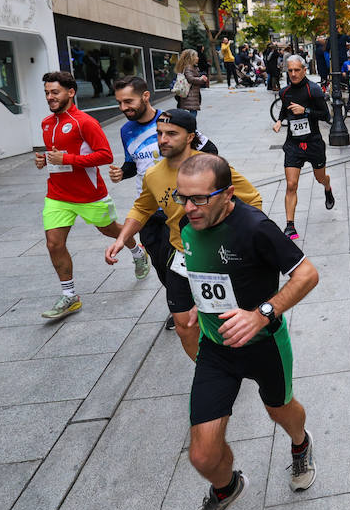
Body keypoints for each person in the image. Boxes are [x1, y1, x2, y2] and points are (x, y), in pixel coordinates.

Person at [173, 154, 318, 510]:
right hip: (216, 348)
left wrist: (262, 314)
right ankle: (225, 488)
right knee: (202, 454)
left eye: (200, 199)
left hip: (263, 344)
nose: (189, 208)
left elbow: (307, 274)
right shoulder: (188, 221)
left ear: (228, 194)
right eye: (182, 197)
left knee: (280, 410)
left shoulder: (255, 227)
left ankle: (301, 445)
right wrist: (187, 301)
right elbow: (187, 262)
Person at [106, 110, 263, 359]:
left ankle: (235, 363)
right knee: (184, 325)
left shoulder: (213, 167)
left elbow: (252, 199)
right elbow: (142, 207)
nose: (162, 139)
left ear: (190, 137)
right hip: (182, 255)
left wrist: (235, 239)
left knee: (225, 320)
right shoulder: (153, 174)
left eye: (171, 134)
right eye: (159, 133)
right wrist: (122, 237)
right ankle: (207, 369)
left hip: (219, 256)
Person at [109, 76, 215, 330]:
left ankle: (192, 304)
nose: (124, 108)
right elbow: (134, 164)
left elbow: (210, 152)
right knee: (160, 263)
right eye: (120, 103)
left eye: (128, 101)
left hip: (177, 207)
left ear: (145, 96)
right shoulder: (126, 131)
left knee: (183, 258)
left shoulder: (172, 122)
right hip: (148, 207)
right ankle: (181, 301)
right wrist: (123, 173)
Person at [35, 71, 134, 321]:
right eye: (47, 93)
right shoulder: (46, 123)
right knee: (54, 243)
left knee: (110, 230)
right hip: (57, 194)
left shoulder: (85, 122)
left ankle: (137, 250)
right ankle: (70, 296)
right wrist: (43, 160)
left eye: (54, 92)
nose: (50, 97)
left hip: (89, 194)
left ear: (70, 92)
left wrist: (66, 159)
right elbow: (55, 155)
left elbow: (105, 156)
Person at [272, 55, 336, 240]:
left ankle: (327, 186)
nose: (293, 73)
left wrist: (305, 111)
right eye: (290, 70)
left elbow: (325, 115)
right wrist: (279, 120)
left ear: (304, 70)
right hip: (293, 144)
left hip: (313, 143)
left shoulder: (313, 90)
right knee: (291, 184)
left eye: (296, 70)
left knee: (320, 177)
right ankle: (290, 226)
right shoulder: (284, 92)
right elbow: (285, 109)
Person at [174, 49, 209, 116]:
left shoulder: (192, 67)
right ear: (191, 58)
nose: (197, 58)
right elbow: (190, 79)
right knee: (192, 111)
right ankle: (189, 125)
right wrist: (201, 79)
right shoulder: (189, 67)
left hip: (191, 93)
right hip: (190, 93)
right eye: (196, 56)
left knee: (189, 110)